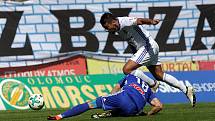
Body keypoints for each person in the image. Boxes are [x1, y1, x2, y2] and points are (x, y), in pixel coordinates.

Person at [100, 12, 196, 107]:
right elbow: (132, 42)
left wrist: (151, 21)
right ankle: (186, 89)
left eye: (107, 27)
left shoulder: (124, 21)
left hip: (148, 47)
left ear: (112, 22)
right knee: (159, 75)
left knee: (127, 69)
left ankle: (152, 84)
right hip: (148, 48)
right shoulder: (119, 30)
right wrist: (136, 54)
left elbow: (140, 20)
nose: (108, 30)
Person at [47, 74, 163, 120]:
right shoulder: (148, 90)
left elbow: (117, 88)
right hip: (134, 110)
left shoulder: (131, 76)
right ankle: (112, 113)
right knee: (125, 110)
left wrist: (109, 98)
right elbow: (159, 106)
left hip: (123, 97)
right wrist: (148, 114)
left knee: (90, 104)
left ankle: (59, 116)